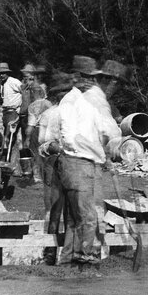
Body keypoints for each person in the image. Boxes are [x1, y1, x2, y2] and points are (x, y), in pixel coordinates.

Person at [51, 55, 120, 264]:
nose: (91, 82)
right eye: (87, 77)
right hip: (75, 163)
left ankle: (68, 259)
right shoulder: (70, 101)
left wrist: (105, 156)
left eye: (93, 78)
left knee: (74, 218)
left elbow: (101, 131)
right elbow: (71, 139)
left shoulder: (88, 102)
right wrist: (97, 152)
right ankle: (85, 257)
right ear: (76, 77)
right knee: (87, 217)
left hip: (85, 164)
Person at [37, 72, 74, 264]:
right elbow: (43, 143)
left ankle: (68, 253)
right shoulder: (50, 114)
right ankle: (50, 252)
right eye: (63, 93)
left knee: (71, 210)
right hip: (55, 163)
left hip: (73, 165)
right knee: (54, 208)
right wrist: (54, 148)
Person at [0, 62, 23, 160]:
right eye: (0, 73)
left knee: (8, 137)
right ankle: (11, 161)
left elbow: (24, 91)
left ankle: (5, 160)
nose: (1, 75)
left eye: (3, 73)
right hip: (6, 112)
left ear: (7, 73)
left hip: (13, 111)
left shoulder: (13, 82)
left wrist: (21, 107)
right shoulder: (2, 83)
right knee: (8, 137)